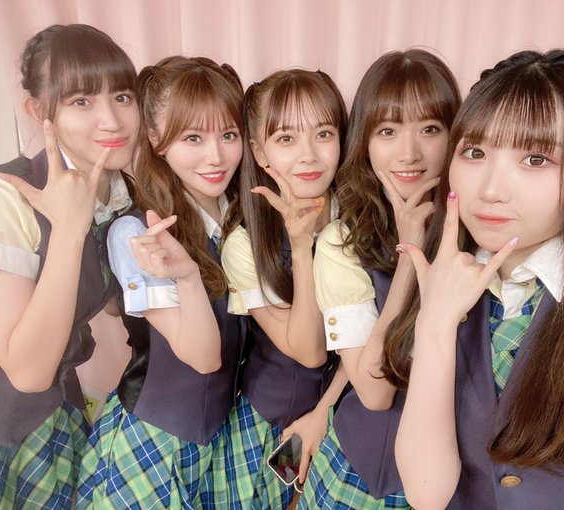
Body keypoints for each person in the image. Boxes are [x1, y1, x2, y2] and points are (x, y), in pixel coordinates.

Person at [384, 49, 564, 510]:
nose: (490, 189)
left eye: (536, 159)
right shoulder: (447, 277)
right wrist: (435, 324)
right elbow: (427, 492)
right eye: (475, 152)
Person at [76, 56, 246, 508]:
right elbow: (203, 358)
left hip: (222, 442)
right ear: (155, 138)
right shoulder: (135, 233)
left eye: (229, 135)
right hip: (152, 444)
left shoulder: (239, 220)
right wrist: (188, 277)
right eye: (193, 138)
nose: (216, 156)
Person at [297, 49, 461, 509]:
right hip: (367, 478)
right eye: (388, 131)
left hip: (463, 475)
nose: (409, 153)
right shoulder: (340, 243)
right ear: (365, 141)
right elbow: (373, 391)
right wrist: (409, 257)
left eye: (430, 128)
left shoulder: (481, 227)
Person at [0, 24, 139, 509]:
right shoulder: (5, 197)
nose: (112, 120)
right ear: (39, 112)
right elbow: (27, 372)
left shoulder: (119, 195)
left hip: (63, 413)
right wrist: (71, 230)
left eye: (122, 96)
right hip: (1, 425)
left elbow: (109, 301)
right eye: (81, 101)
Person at [221, 68, 348, 508]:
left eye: (323, 134)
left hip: (349, 414)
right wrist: (300, 246)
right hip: (272, 424)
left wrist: (325, 412)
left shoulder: (361, 220)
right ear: (259, 151)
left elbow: (375, 336)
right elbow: (309, 352)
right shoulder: (244, 244)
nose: (309, 155)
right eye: (286, 139)